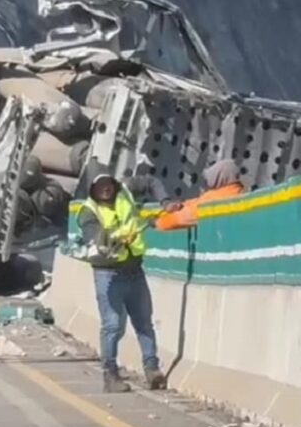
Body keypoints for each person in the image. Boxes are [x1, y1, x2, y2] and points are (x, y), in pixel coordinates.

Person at [78, 171, 166, 393]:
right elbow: (94, 235)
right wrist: (108, 243)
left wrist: (164, 200)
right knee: (113, 325)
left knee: (144, 322)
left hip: (135, 270)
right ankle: (110, 375)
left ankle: (152, 369)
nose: (106, 189)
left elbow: (151, 180)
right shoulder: (89, 212)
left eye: (108, 184)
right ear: (93, 190)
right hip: (108, 274)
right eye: (100, 186)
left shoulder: (126, 190)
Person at [155, 159, 245, 231]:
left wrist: (158, 222)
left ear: (220, 177)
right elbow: (197, 202)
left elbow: (186, 216)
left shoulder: (214, 198)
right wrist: (183, 204)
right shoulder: (240, 193)